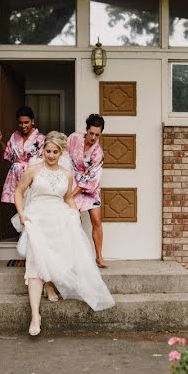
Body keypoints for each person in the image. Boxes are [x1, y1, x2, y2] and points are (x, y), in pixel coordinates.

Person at [14, 131, 115, 336]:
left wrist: (73, 214)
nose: (50, 155)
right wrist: (22, 214)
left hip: (58, 220)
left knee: (55, 258)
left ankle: (50, 285)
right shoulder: (32, 171)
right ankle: (35, 316)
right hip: (37, 220)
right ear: (43, 151)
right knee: (34, 267)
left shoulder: (67, 175)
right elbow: (18, 192)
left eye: (55, 152)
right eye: (48, 151)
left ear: (61, 153)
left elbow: (68, 197)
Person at [67, 114, 107, 267]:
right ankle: (75, 257)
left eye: (97, 134)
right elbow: (62, 153)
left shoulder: (98, 153)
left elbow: (91, 177)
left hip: (90, 186)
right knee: (74, 219)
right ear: (86, 130)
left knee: (96, 220)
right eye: (91, 133)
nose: (94, 137)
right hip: (72, 181)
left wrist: (72, 194)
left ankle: (99, 256)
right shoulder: (74, 138)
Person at [0, 106, 45, 206]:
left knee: (31, 206)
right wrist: (0, 141)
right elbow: (9, 154)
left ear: (32, 121)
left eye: (26, 122)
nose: (23, 126)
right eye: (20, 123)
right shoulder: (15, 136)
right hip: (15, 176)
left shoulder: (40, 138)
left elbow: (42, 162)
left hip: (31, 176)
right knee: (17, 206)